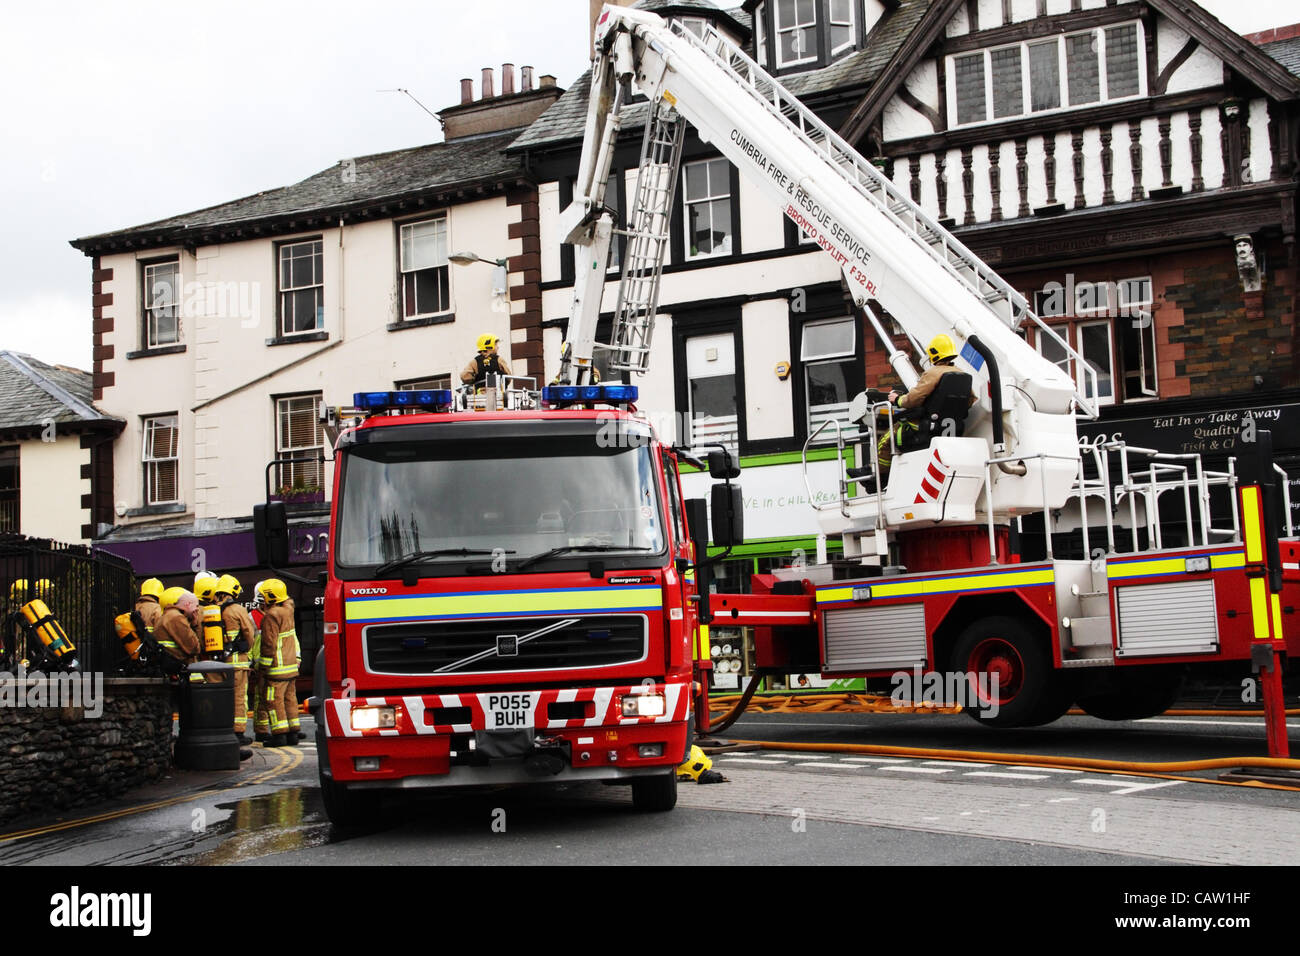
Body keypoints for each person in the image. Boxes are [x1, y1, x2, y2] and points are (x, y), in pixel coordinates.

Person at [874, 334, 975, 484]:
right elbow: (971, 399)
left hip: (924, 428)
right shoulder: (963, 375)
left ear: (934, 353)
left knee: (886, 440)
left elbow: (914, 397)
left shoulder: (933, 372)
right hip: (952, 429)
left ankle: (881, 478)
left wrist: (897, 399)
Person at [256, 579, 300, 748]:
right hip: (290, 667)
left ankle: (279, 735)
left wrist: (264, 666)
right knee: (290, 699)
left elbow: (269, 644)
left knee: (273, 701)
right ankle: (293, 733)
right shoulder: (288, 609)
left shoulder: (271, 616)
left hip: (277, 668)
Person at [216, 574, 257, 743]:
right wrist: (247, 648)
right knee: (239, 698)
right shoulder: (238, 610)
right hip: (238, 663)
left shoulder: (213, 610)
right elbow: (249, 633)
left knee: (223, 697)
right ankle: (238, 733)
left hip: (219, 663)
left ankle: (223, 729)